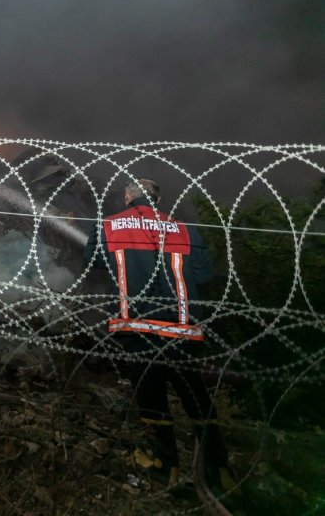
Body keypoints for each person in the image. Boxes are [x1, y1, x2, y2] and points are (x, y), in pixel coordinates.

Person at [84, 178, 234, 490]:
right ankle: (219, 468)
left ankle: (165, 467)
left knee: (151, 397)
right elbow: (205, 273)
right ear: (158, 197)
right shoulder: (184, 228)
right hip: (183, 327)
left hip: (138, 326)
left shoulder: (110, 225)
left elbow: (93, 261)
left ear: (128, 196)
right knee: (196, 398)